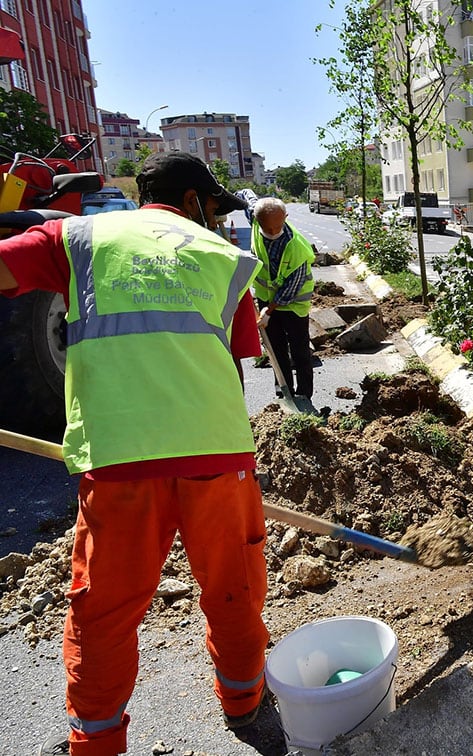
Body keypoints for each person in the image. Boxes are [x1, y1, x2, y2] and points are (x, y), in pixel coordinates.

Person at [0, 151, 271, 755]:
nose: (215, 220)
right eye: (213, 208)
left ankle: (95, 743)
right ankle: (245, 701)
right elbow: (236, 358)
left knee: (105, 613)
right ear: (194, 201)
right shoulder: (225, 260)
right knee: (234, 588)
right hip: (217, 455)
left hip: (120, 459)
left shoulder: (77, 238)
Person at [250, 197, 316, 400]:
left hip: (293, 305)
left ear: (285, 218)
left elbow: (291, 287)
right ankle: (284, 392)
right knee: (275, 350)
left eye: (277, 227)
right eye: (267, 228)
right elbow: (246, 199)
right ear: (257, 220)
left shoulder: (296, 247)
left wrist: (268, 311)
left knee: (300, 351)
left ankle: (304, 394)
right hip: (265, 300)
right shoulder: (255, 224)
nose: (272, 232)